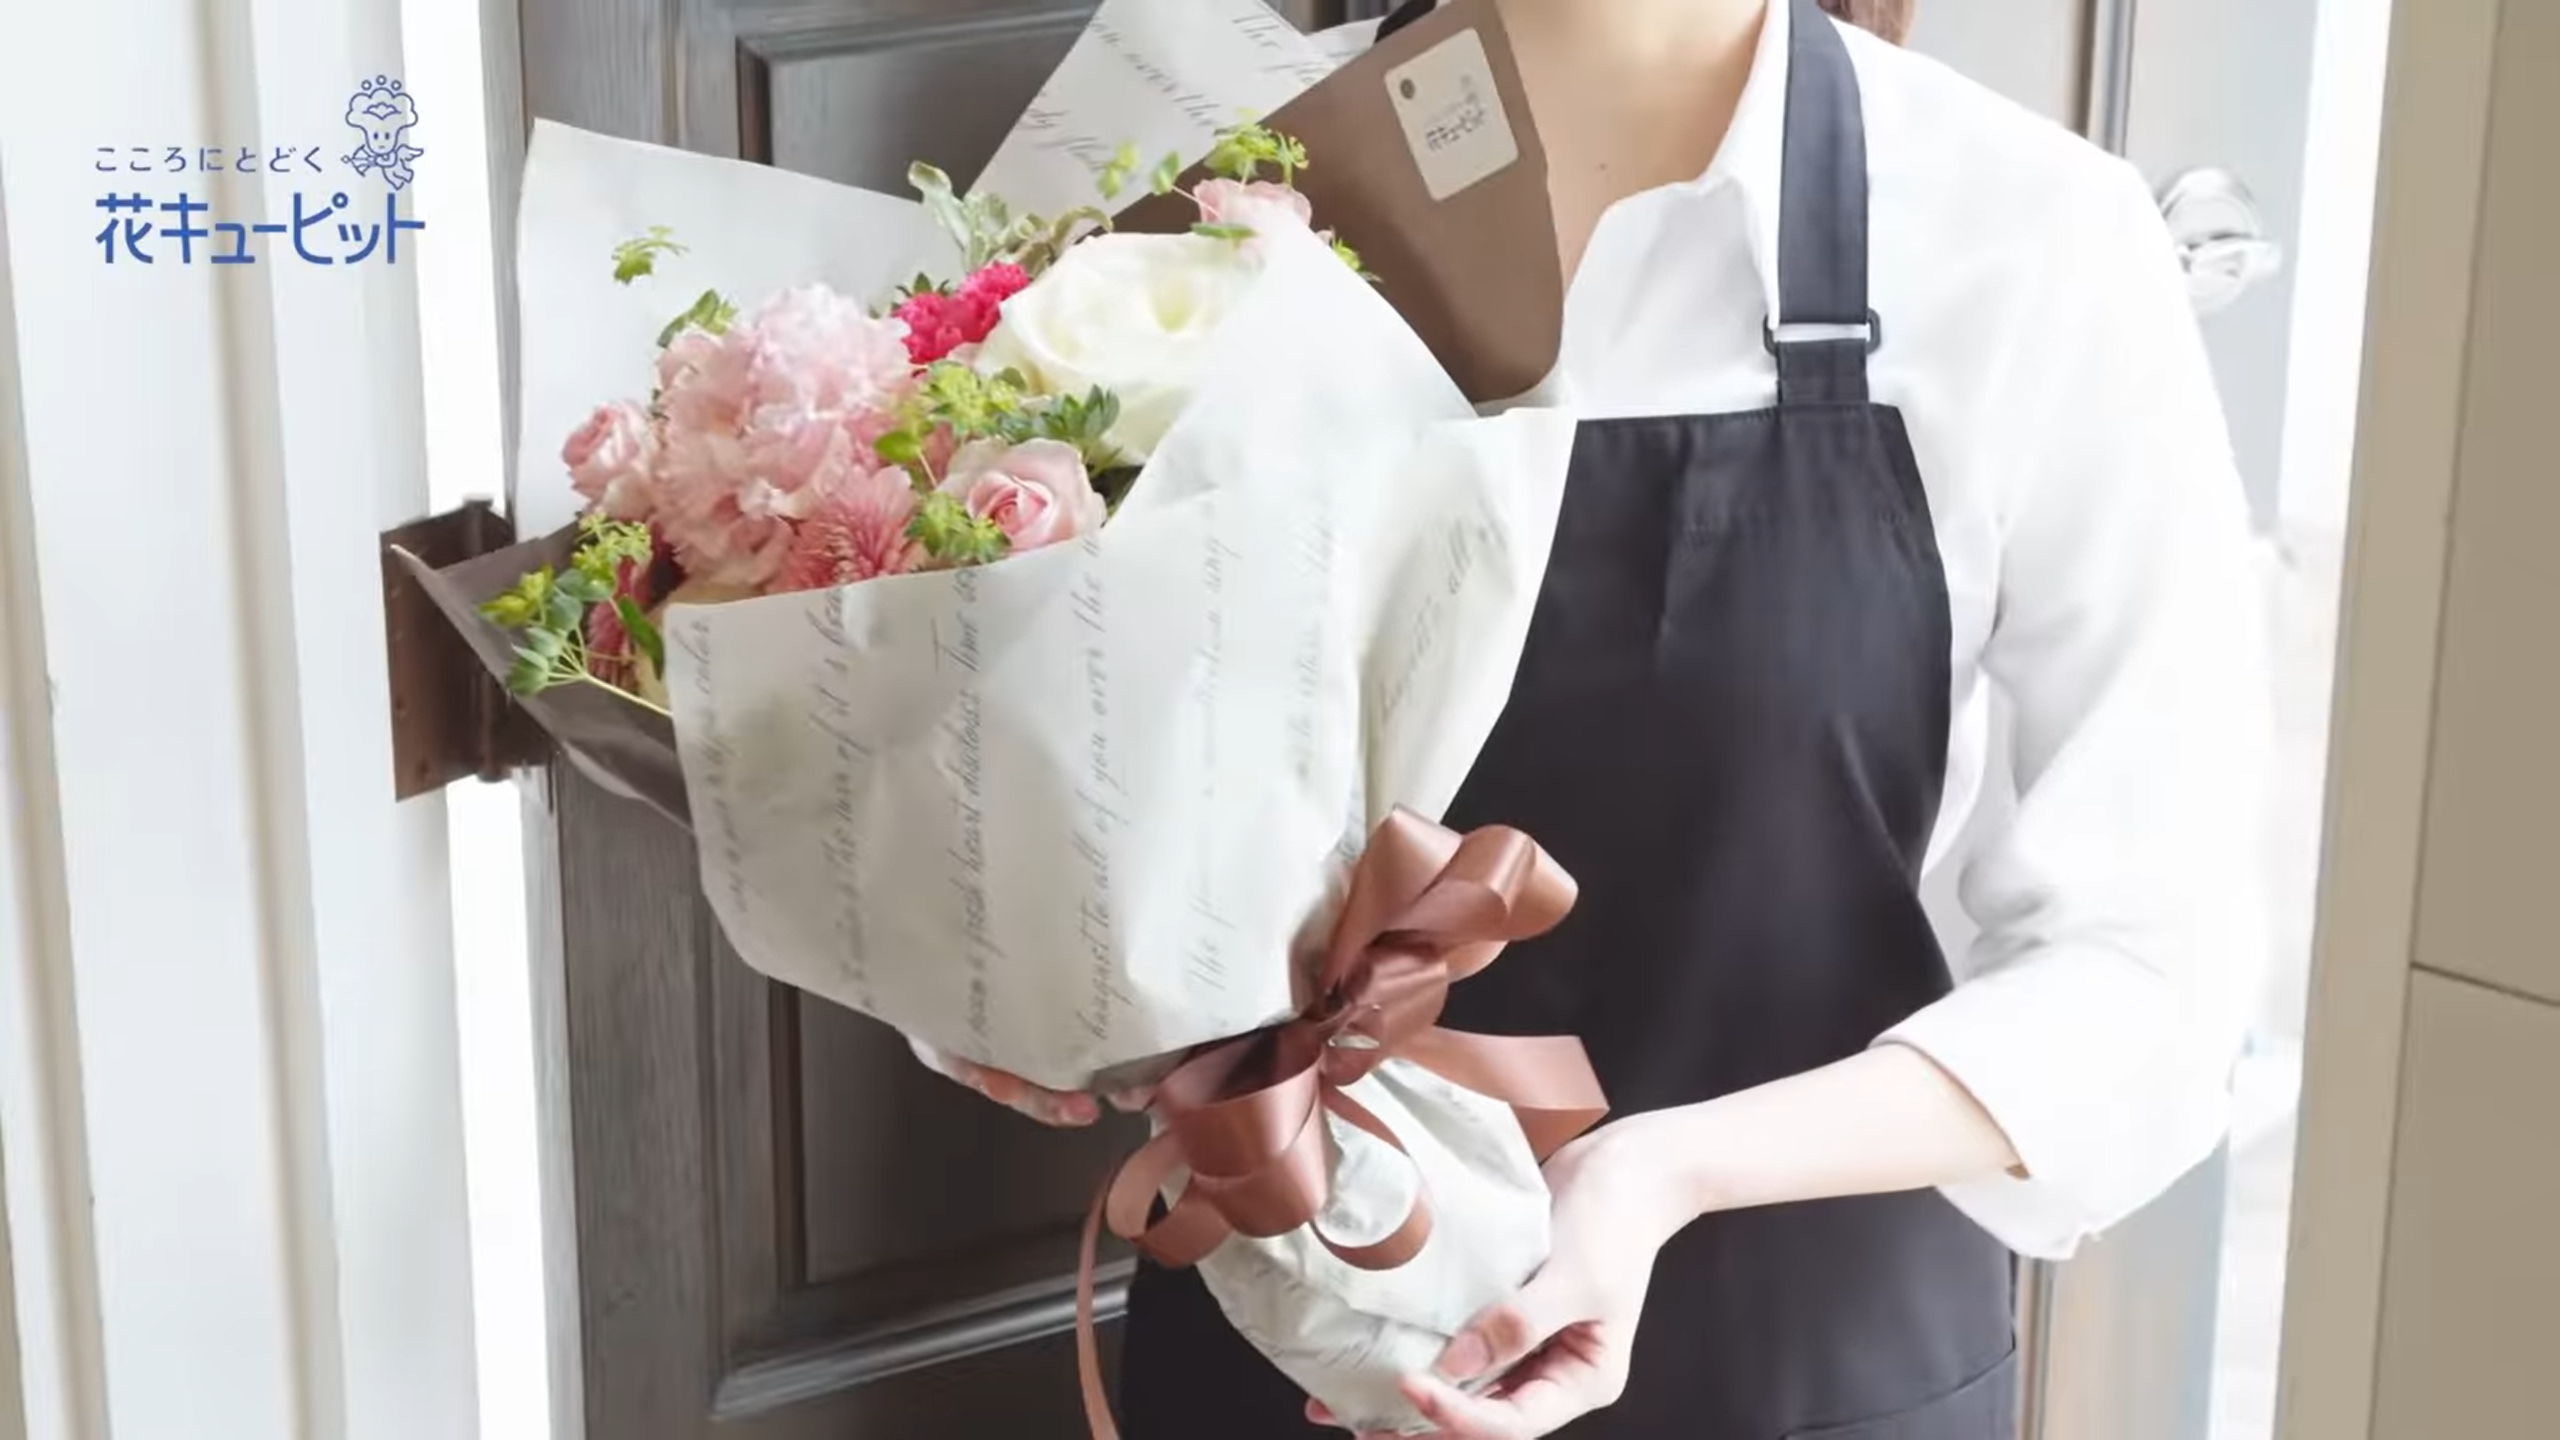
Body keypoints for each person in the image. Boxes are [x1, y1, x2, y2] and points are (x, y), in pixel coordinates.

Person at [919, 0, 2272, 1434]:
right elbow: (1032, 740)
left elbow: (2151, 971)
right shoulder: (1195, 174)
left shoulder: (2030, 234)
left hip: (1800, 1363)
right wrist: (1005, 967)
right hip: (1290, 1323)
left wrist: (1656, 1174)